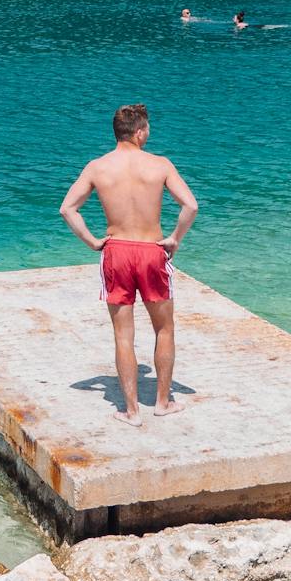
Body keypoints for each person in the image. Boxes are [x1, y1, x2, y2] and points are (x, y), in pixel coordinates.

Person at [60, 104, 199, 426]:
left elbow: (68, 209)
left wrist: (93, 241)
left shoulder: (98, 167)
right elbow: (190, 206)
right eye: (147, 129)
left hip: (117, 252)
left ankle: (131, 411)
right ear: (139, 132)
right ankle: (162, 403)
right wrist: (175, 238)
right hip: (151, 251)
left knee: (123, 335)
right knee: (164, 328)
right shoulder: (159, 165)